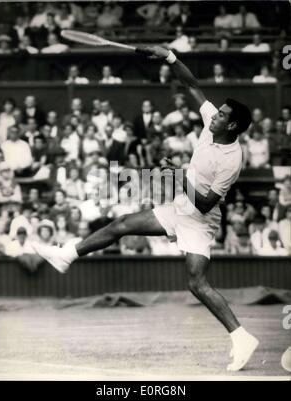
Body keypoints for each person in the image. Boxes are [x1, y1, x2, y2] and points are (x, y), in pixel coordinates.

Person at [31, 45, 258, 372]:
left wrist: (177, 174)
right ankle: (68, 254)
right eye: (218, 112)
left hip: (200, 219)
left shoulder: (231, 159)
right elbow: (192, 85)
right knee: (121, 224)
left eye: (222, 115)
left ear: (233, 127)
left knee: (196, 283)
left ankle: (241, 336)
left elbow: (206, 202)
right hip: (179, 206)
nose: (215, 115)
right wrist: (170, 57)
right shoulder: (212, 125)